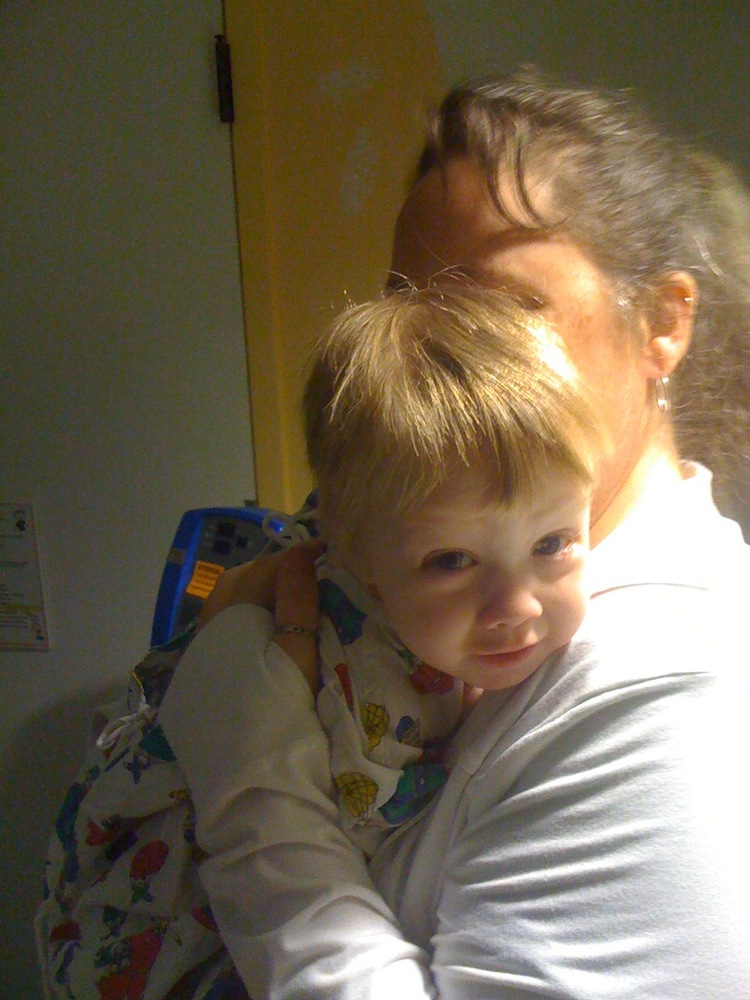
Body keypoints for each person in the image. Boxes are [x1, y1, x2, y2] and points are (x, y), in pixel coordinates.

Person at [37, 68, 750, 999]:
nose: (448, 365)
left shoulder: (669, 694)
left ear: (661, 323)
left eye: (500, 308)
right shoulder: (401, 521)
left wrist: (250, 774)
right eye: (412, 307)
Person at [296, 286, 602, 855]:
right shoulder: (311, 677)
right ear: (358, 555)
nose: (518, 607)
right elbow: (293, 857)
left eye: (552, 543)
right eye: (453, 560)